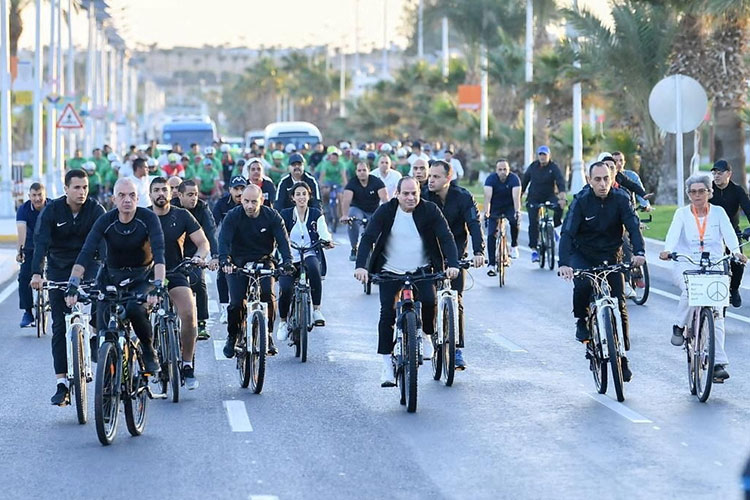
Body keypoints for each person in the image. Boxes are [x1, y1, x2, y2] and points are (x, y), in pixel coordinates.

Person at [354, 177, 459, 386]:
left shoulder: (430, 210)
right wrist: (361, 266)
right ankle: (386, 364)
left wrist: (452, 264)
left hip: (421, 271)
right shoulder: (386, 211)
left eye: (414, 193)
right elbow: (368, 238)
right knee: (387, 314)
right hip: (390, 272)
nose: (411, 198)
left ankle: (427, 335)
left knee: (429, 302)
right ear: (397, 194)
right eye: (406, 194)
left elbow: (446, 237)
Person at [65, 177, 166, 376]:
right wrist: (73, 284)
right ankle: (108, 377)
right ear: (114, 199)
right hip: (111, 277)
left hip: (142, 276)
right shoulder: (106, 220)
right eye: (122, 195)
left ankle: (147, 349)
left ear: (138, 198)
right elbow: (86, 252)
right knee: (102, 320)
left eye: (132, 195)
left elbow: (160, 252)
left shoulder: (148, 218)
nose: (127, 200)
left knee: (135, 310)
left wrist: (158, 285)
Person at [557, 161, 646, 383]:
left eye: (606, 178)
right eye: (597, 179)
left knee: (620, 302)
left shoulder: (621, 199)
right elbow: (567, 233)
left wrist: (640, 252)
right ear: (589, 180)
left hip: (611, 254)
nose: (602, 183)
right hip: (583, 253)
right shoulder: (581, 201)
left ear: (612, 177)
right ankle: (581, 320)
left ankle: (622, 356)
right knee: (584, 285)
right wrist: (564, 263)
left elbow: (633, 227)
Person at [659, 173, 746, 382]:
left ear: (709, 192)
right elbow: (672, 234)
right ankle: (680, 325)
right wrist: (668, 250)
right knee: (691, 292)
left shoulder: (718, 213)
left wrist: (736, 252)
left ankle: (717, 364)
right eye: (693, 192)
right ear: (689, 194)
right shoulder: (681, 214)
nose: (697, 195)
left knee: (717, 314)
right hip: (687, 264)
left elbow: (729, 235)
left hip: (714, 265)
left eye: (701, 191)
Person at [31, 171, 105, 406]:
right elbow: (41, 243)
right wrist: (36, 273)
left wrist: (107, 271)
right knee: (59, 325)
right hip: (59, 269)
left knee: (103, 299)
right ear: (65, 189)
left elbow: (104, 242)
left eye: (85, 187)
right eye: (76, 188)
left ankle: (94, 332)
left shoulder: (96, 210)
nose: (81, 192)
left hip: (89, 266)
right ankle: (62, 383)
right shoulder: (52, 211)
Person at [218, 184, 294, 358]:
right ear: (241, 200)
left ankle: (267, 335)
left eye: (254, 201)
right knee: (237, 302)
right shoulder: (233, 216)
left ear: (262, 200)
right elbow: (223, 240)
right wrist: (225, 260)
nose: (250, 206)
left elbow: (283, 242)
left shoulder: (272, 216)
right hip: (237, 264)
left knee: (268, 295)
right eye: (246, 201)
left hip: (264, 261)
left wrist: (287, 262)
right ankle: (232, 336)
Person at [149, 177, 210, 389]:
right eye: (156, 190)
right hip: (148, 275)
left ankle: (186, 364)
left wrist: (198, 257)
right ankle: (143, 359)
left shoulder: (182, 215)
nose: (160, 194)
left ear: (171, 193)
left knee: (188, 312)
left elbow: (203, 242)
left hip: (175, 271)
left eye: (164, 190)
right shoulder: (144, 216)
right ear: (150, 194)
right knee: (136, 313)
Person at [423, 161, 484, 369]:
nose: (431, 180)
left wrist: (478, 252)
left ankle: (456, 349)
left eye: (436, 177)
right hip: (429, 252)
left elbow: (474, 224)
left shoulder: (463, 197)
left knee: (456, 299)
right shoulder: (422, 196)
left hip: (456, 254)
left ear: (448, 179)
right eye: (430, 176)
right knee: (427, 299)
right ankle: (427, 337)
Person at [277, 182, 332, 339]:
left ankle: (316, 310)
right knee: (286, 287)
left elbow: (324, 231)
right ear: (293, 198)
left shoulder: (315, 214)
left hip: (309, 253)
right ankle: (282, 322)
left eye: (304, 194)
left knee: (314, 268)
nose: (301, 197)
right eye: (298, 194)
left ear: (309, 196)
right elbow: (279, 233)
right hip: (289, 256)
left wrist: (326, 240)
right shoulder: (285, 214)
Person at [174, 179, 219, 340]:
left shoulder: (202, 207)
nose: (194, 198)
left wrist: (215, 256)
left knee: (198, 283)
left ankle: (201, 322)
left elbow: (211, 231)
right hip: (173, 253)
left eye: (195, 194)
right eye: (190, 195)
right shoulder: (170, 206)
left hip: (195, 253)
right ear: (179, 195)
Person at [708, 159, 750, 307]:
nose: (716, 176)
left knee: (738, 263)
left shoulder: (737, 190)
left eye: (720, 173)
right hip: (710, 233)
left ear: (729, 174)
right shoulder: (709, 189)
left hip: (732, 232)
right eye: (714, 173)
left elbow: (748, 209)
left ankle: (734, 289)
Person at [522, 145, 566, 262]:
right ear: (538, 156)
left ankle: (556, 226)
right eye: (540, 154)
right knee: (533, 222)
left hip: (549, 195)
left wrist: (562, 197)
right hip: (534, 197)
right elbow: (525, 181)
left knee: (559, 206)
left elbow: (560, 181)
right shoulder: (533, 167)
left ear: (549, 155)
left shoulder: (553, 167)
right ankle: (534, 250)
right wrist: (519, 196)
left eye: (544, 155)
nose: (542, 157)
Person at [213, 175, 247, 324]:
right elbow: (212, 227)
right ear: (230, 190)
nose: (239, 192)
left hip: (248, 246)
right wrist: (216, 253)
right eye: (236, 189)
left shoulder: (252, 203)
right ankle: (225, 308)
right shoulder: (221, 204)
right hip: (227, 245)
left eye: (242, 188)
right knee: (222, 273)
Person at [340, 161, 388, 261]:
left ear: (368, 171)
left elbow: (384, 199)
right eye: (359, 170)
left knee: (381, 225)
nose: (362, 172)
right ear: (356, 172)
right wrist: (345, 215)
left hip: (373, 211)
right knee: (352, 218)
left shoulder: (376, 181)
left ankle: (380, 249)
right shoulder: (352, 183)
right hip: (358, 210)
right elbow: (346, 200)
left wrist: (388, 214)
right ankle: (354, 247)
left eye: (364, 170)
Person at [16, 182, 49, 327]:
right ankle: (28, 312)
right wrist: (20, 251)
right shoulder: (23, 210)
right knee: (23, 277)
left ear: (45, 195)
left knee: (61, 276)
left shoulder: (53, 206)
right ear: (29, 196)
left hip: (51, 246)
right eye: (34, 196)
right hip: (31, 247)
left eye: (40, 195)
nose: (37, 199)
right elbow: (21, 230)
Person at [484, 159, 522, 275]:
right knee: (491, 234)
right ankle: (491, 264)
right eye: (500, 169)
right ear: (496, 170)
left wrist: (517, 211)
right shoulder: (491, 179)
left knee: (514, 221)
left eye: (505, 169)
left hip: (509, 206)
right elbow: (487, 198)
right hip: (495, 207)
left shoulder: (514, 179)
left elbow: (516, 198)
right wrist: (487, 212)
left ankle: (514, 245)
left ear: (509, 170)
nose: (502, 172)